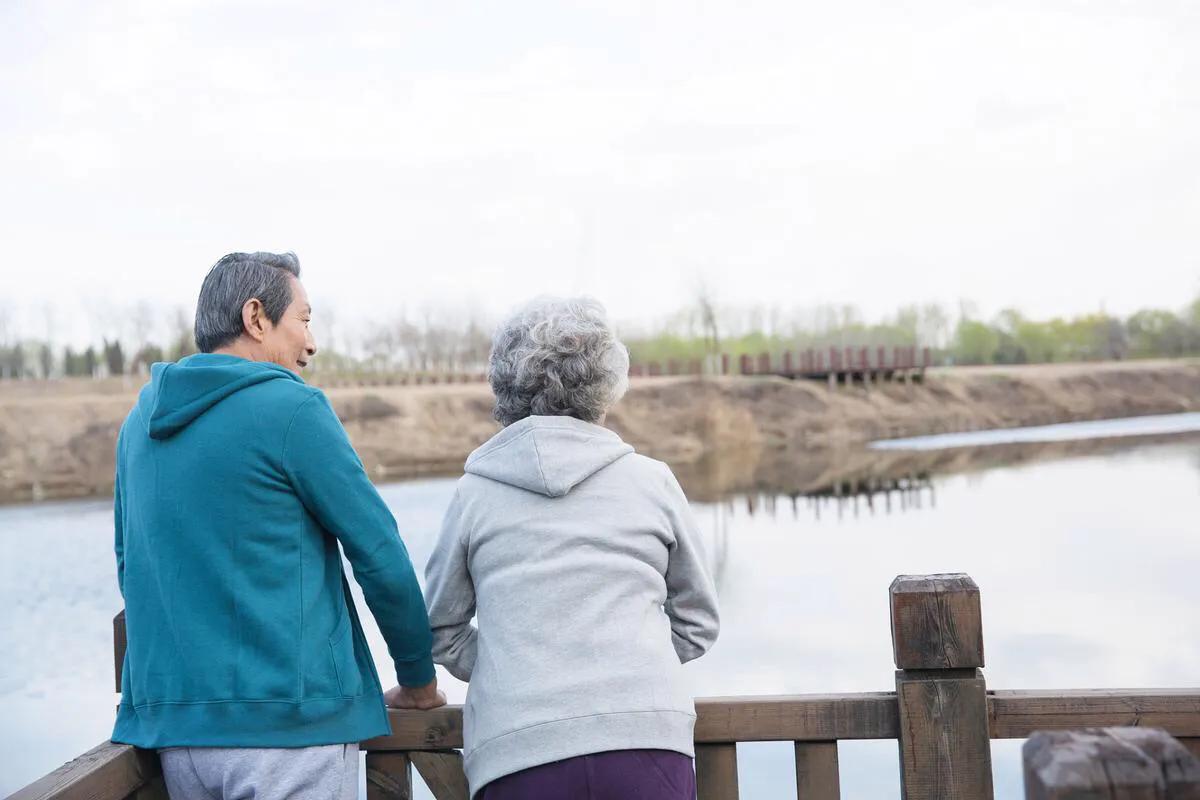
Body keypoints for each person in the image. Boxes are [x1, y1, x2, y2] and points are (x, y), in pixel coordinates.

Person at [111, 251, 444, 800]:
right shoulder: (292, 410)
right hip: (291, 732)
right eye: (305, 320)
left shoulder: (138, 423)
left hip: (178, 740)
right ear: (256, 317)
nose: (311, 344)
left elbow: (131, 566)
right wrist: (417, 678)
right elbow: (379, 555)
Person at [424, 296, 720, 799]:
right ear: (606, 385)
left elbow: (440, 628)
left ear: (503, 385)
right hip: (645, 743)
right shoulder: (652, 481)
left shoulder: (473, 493)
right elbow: (698, 623)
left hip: (516, 754)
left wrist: (512, 669)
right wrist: (631, 663)